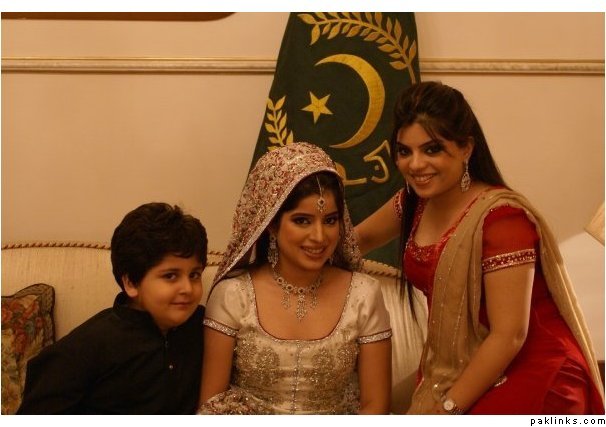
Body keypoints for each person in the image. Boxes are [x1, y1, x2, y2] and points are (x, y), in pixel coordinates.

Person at [355, 81, 605, 415]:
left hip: (535, 372)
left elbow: (509, 336)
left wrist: (448, 407)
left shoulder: (502, 220)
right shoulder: (414, 202)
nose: (415, 164)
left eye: (432, 149)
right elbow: (356, 241)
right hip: (462, 360)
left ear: (466, 149)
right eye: (404, 151)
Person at [198, 142, 392, 414]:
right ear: (271, 224)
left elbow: (376, 406)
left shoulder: (363, 294)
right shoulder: (233, 296)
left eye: (330, 220)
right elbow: (212, 406)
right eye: (302, 220)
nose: (319, 237)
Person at [17, 202, 207, 414]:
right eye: (170, 276)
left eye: (194, 275)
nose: (187, 288)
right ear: (131, 283)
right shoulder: (86, 347)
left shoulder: (206, 327)